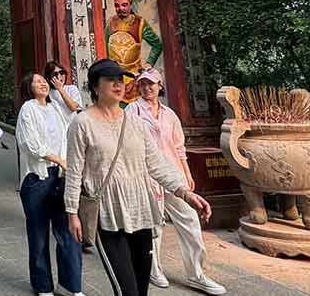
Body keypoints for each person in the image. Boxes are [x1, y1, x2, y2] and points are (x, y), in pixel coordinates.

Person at [65, 59, 212, 296]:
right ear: (95, 87)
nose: (118, 84)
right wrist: (72, 213)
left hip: (141, 210)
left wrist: (185, 193)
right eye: (110, 80)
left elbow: (157, 163)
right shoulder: (82, 123)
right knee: (128, 291)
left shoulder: (135, 123)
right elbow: (74, 171)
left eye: (120, 80)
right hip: (108, 214)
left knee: (141, 288)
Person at [128, 69, 225, 295]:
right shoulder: (133, 110)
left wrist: (187, 174)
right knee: (155, 225)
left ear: (160, 86)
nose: (147, 88)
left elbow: (179, 147)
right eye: (142, 84)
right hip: (148, 176)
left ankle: (197, 273)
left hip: (173, 175)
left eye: (151, 84)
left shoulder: (170, 114)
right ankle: (154, 270)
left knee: (189, 219)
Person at [16, 73, 85, 296]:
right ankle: (42, 285)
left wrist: (67, 165)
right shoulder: (28, 109)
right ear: (29, 88)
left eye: (43, 80)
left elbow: (68, 133)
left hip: (60, 176)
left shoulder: (55, 107)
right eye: (37, 81)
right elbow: (31, 144)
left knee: (67, 231)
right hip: (36, 179)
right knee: (38, 234)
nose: (43, 83)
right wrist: (60, 160)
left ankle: (72, 286)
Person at [105, 0, 163, 103]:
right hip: (114, 78)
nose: (120, 8)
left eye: (124, 5)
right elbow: (106, 48)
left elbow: (157, 45)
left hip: (134, 79)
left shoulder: (140, 23)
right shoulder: (110, 22)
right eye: (117, 5)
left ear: (130, 5)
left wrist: (149, 63)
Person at [43, 60, 83, 125]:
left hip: (72, 127)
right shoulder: (45, 93)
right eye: (55, 74)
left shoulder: (72, 89)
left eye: (62, 72)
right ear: (48, 77)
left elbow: (73, 107)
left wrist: (60, 89)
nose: (59, 76)